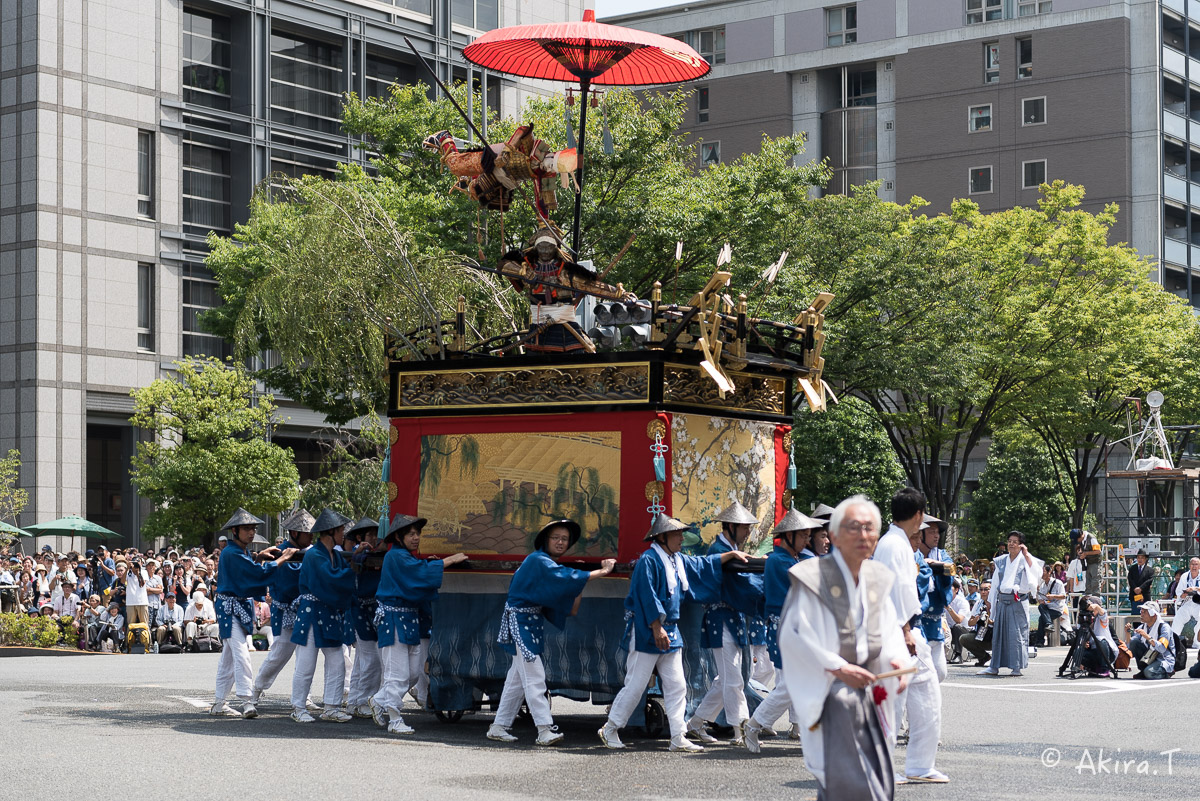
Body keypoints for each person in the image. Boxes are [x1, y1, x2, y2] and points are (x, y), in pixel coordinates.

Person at [778, 495, 911, 801]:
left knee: (870, 776)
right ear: (834, 535)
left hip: (871, 689)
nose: (863, 535)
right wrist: (837, 666)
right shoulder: (813, 578)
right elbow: (794, 635)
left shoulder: (877, 578)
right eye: (854, 527)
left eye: (869, 528)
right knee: (854, 783)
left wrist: (897, 661)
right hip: (833, 693)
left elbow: (890, 631)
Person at [598, 514, 748, 752]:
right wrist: (657, 627)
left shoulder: (676, 560)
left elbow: (702, 565)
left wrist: (729, 555)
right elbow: (646, 596)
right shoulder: (649, 560)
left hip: (670, 630)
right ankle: (610, 728)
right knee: (636, 684)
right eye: (677, 534)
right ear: (662, 537)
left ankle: (679, 735)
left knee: (677, 685)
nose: (681, 538)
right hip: (649, 629)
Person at [487, 519, 615, 746]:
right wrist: (602, 571)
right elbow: (567, 579)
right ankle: (544, 729)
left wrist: (579, 580)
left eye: (564, 539)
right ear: (545, 540)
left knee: (516, 680)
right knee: (535, 679)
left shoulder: (543, 562)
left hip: (527, 622)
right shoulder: (539, 561)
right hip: (521, 623)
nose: (560, 542)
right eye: (555, 537)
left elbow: (568, 588)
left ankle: (499, 726)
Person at [873, 487, 946, 784]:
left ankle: (918, 764)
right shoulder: (895, 545)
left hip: (901, 628)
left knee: (923, 694)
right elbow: (897, 592)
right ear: (917, 515)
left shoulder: (894, 543)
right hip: (896, 630)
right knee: (893, 703)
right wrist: (905, 631)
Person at [371, 513, 467, 734]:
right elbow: (417, 574)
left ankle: (378, 700)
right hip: (394, 619)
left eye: (418, 534)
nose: (416, 538)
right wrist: (448, 560)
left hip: (407, 620)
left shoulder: (404, 557)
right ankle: (395, 720)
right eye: (411, 534)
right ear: (398, 537)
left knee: (413, 673)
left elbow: (417, 572)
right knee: (398, 674)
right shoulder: (395, 556)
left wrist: (429, 564)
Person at [742, 506, 822, 751]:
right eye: (804, 536)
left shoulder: (797, 559)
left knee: (804, 682)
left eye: (810, 536)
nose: (808, 540)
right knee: (791, 685)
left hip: (798, 628)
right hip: (784, 629)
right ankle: (754, 725)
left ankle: (808, 730)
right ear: (789, 536)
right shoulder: (778, 561)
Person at [685, 500, 764, 746]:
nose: (748, 531)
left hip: (733, 619)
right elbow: (744, 584)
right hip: (720, 618)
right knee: (732, 679)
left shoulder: (727, 549)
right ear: (730, 526)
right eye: (744, 527)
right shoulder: (717, 550)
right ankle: (741, 729)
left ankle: (695, 724)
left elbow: (745, 581)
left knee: (725, 679)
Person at [209, 508, 296, 718]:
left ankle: (219, 703)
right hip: (230, 608)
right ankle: (247, 701)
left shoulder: (239, 551)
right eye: (247, 529)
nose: (251, 532)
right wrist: (282, 558)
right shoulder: (232, 553)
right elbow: (256, 574)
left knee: (229, 658)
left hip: (234, 606)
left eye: (253, 528)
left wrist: (258, 557)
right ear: (235, 531)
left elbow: (248, 569)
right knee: (241, 654)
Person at [290, 508, 357, 724]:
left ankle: (331, 706)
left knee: (337, 661)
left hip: (327, 613)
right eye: (341, 530)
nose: (344, 534)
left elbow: (338, 576)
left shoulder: (334, 554)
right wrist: (354, 567)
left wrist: (356, 558)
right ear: (332, 532)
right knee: (306, 663)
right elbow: (332, 579)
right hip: (312, 613)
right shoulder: (314, 555)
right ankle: (298, 707)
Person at [251, 509, 314, 706]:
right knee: (280, 653)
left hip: (305, 609)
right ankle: (257, 688)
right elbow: (268, 578)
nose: (311, 537)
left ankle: (305, 696)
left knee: (306, 655)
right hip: (284, 610)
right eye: (308, 533)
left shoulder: (312, 552)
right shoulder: (277, 553)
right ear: (295, 533)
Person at [981, 531, 1042, 677]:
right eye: (1009, 541)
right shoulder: (1001, 560)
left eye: (1015, 541)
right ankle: (994, 666)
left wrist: (1026, 555)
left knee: (1016, 635)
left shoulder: (1025, 559)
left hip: (1017, 601)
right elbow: (995, 582)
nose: (1011, 544)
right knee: (999, 634)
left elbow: (1037, 573)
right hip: (1002, 600)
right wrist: (990, 601)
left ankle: (1016, 667)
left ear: (1021, 544)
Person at [345, 518, 387, 719]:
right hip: (361, 609)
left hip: (374, 608)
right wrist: (359, 553)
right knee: (370, 659)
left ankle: (354, 700)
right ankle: (363, 700)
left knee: (364, 661)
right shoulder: (355, 555)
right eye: (368, 535)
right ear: (359, 538)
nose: (372, 538)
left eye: (374, 534)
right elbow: (354, 566)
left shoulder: (379, 552)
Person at [1125, 601, 1175, 680]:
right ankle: (1144, 670)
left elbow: (1162, 648)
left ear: (1154, 615)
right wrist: (1127, 633)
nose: (1141, 614)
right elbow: (1130, 647)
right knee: (1135, 642)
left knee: (1149, 673)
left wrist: (1147, 637)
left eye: (1144, 612)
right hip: (1150, 657)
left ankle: (1166, 673)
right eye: (1141, 611)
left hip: (1163, 659)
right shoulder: (1142, 627)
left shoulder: (1164, 627)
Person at [1080, 596, 1117, 676]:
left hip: (1108, 654)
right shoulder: (1087, 619)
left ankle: (1105, 669)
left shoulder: (1102, 620)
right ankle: (1091, 668)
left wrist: (1096, 607)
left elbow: (1103, 613)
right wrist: (1084, 644)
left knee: (1100, 639)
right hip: (1094, 652)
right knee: (1078, 648)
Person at [1034, 563, 1067, 647]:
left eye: (1043, 571)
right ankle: (1048, 625)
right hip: (1047, 609)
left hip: (1056, 609)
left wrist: (1053, 596)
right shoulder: (1042, 586)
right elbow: (1040, 598)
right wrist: (1039, 597)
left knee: (1041, 617)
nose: (1041, 574)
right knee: (1041, 607)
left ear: (1049, 572)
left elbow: (1063, 596)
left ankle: (1040, 640)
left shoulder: (1058, 583)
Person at [1172, 557, 1200, 643]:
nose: (1194, 566)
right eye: (1192, 564)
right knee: (1178, 619)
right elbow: (1178, 591)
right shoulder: (1184, 576)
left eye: (1196, 564)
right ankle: (1173, 641)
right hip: (1188, 602)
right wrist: (1183, 594)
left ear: (1199, 566)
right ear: (1189, 565)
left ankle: (1197, 643)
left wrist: (1196, 589)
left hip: (1198, 603)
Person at [944, 578, 970, 663]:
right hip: (949, 630)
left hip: (963, 631)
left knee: (957, 627)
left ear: (956, 590)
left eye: (950, 589)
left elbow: (958, 620)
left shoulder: (962, 602)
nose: (947, 592)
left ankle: (958, 654)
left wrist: (948, 607)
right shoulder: (941, 601)